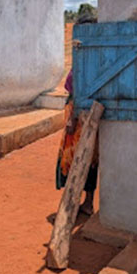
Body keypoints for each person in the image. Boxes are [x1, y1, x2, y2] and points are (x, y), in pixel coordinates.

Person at [55, 70, 98, 215]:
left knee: (75, 161)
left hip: (78, 121)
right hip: (85, 117)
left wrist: (72, 119)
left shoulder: (83, 66)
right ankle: (87, 202)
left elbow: (79, 93)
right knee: (89, 160)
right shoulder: (89, 63)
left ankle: (71, 205)